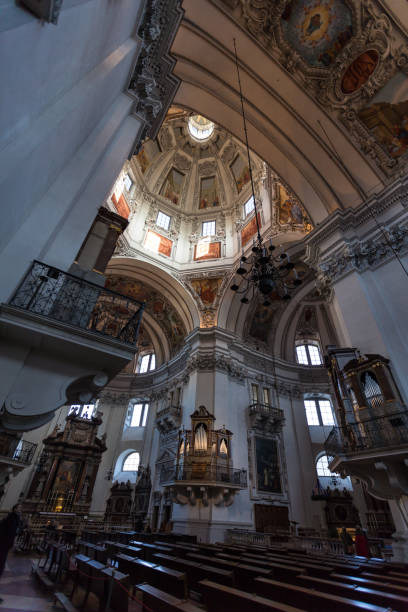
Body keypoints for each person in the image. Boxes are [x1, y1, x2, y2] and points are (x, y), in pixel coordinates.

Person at [0, 504, 23, 601]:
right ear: (15, 509)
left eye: (21, 508)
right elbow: (12, 532)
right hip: (3, 544)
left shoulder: (11, 517)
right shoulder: (13, 518)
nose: (21, 510)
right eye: (19, 508)